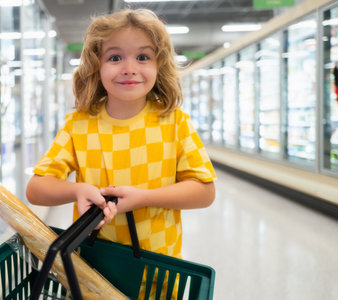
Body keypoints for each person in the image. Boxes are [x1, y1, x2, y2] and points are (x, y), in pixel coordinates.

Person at [26, 8, 216, 297]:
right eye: (115, 57)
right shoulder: (79, 125)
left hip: (158, 268)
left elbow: (204, 191)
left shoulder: (174, 122)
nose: (129, 68)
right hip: (92, 270)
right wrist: (76, 189)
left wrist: (145, 198)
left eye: (143, 57)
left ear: (159, 65)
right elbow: (36, 189)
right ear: (95, 66)